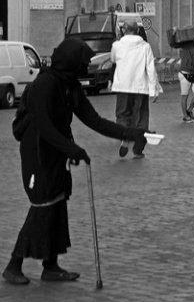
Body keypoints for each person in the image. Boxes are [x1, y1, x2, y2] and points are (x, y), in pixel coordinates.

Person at [2, 38, 147, 285]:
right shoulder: (44, 85)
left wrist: (130, 133)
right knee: (43, 206)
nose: (86, 68)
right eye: (83, 63)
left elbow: (94, 120)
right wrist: (72, 149)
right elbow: (44, 127)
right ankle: (13, 265)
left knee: (57, 204)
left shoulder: (70, 85)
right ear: (71, 62)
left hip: (57, 150)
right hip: (38, 152)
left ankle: (50, 266)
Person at [110, 20, 159, 159]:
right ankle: (138, 149)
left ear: (124, 31)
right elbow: (150, 68)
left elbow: (113, 60)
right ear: (137, 31)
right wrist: (153, 89)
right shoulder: (145, 46)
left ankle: (125, 137)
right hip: (140, 87)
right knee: (141, 117)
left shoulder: (117, 45)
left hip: (122, 86)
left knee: (123, 115)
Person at [170, 28, 194, 123]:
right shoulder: (186, 44)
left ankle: (189, 110)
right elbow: (173, 44)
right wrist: (173, 35)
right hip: (184, 73)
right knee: (184, 95)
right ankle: (185, 116)